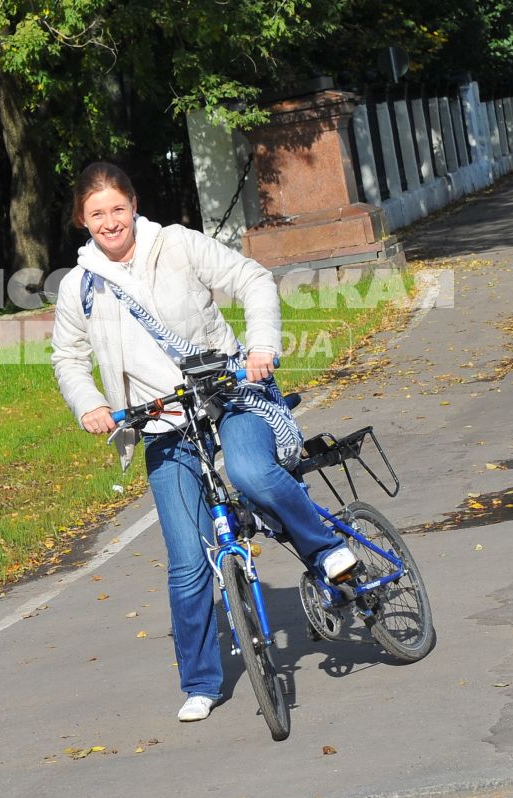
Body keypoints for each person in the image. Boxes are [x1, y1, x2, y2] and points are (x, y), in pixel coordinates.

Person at [50, 161, 357, 724]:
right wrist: (89, 403)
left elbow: (253, 279)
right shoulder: (79, 288)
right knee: (188, 562)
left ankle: (324, 549)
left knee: (250, 473)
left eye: (118, 208)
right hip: (164, 425)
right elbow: (67, 357)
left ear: (134, 205)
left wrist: (261, 347)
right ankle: (200, 682)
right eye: (97, 213)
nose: (110, 221)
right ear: (82, 220)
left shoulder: (179, 246)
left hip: (229, 399)